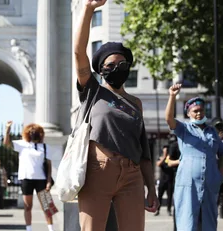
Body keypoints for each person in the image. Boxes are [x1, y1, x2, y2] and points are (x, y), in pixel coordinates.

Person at [73, 1, 159, 230]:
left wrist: (151, 188)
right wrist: (89, 9)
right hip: (97, 171)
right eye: (112, 64)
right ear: (101, 70)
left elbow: (144, 154)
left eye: (123, 63)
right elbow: (78, 51)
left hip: (132, 176)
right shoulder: (92, 91)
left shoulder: (135, 103)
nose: (118, 67)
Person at [165, 84, 223, 231]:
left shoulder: (212, 131)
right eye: (195, 111)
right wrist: (172, 96)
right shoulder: (184, 129)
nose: (199, 113)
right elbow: (169, 119)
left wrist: (219, 173)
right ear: (189, 113)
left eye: (201, 110)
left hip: (210, 183)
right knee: (187, 220)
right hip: (188, 184)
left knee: (209, 221)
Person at [3, 122, 55, 231]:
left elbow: (49, 165)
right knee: (27, 206)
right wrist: (8, 129)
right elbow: (6, 143)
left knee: (47, 206)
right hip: (26, 179)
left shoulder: (45, 147)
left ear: (40, 133)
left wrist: (49, 181)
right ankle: (29, 228)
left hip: (41, 179)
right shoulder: (22, 144)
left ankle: (51, 228)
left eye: (35, 132)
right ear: (27, 133)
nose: (33, 133)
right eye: (31, 132)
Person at [155, 145, 174, 216]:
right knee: (159, 196)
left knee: (169, 197)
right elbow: (158, 164)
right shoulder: (160, 158)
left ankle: (169, 210)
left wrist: (168, 157)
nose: (165, 151)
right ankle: (157, 210)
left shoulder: (171, 158)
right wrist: (164, 156)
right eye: (164, 150)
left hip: (170, 180)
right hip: (162, 180)